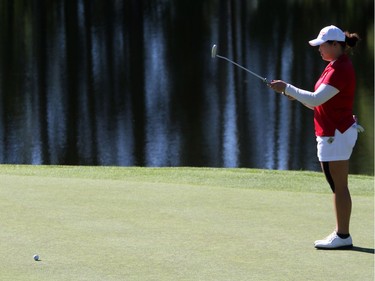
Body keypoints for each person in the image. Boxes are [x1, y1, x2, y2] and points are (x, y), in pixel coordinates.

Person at [270, 25, 363, 249]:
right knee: (336, 185)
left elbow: (314, 100)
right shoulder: (333, 66)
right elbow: (318, 102)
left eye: (322, 45)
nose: (319, 49)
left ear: (335, 45)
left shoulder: (340, 69)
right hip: (332, 132)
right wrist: (292, 94)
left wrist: (288, 88)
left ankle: (342, 235)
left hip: (337, 133)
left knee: (339, 185)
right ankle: (341, 233)